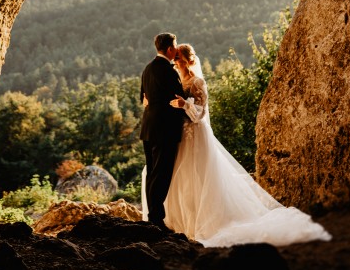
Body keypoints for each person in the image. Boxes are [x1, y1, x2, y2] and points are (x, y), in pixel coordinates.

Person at [156, 42, 332, 247]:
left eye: (178, 58)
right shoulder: (178, 80)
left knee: (199, 177)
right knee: (184, 178)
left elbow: (201, 113)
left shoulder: (197, 82)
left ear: (188, 60)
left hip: (196, 134)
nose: (175, 61)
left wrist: (185, 104)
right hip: (181, 134)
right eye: (175, 57)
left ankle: (203, 223)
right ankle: (183, 223)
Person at [139, 32, 186, 231]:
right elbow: (179, 99)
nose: (176, 50)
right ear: (170, 49)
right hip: (164, 130)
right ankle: (156, 220)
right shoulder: (169, 71)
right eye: (175, 46)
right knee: (161, 175)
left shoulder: (147, 69)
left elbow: (143, 98)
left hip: (148, 128)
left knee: (152, 173)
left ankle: (153, 217)